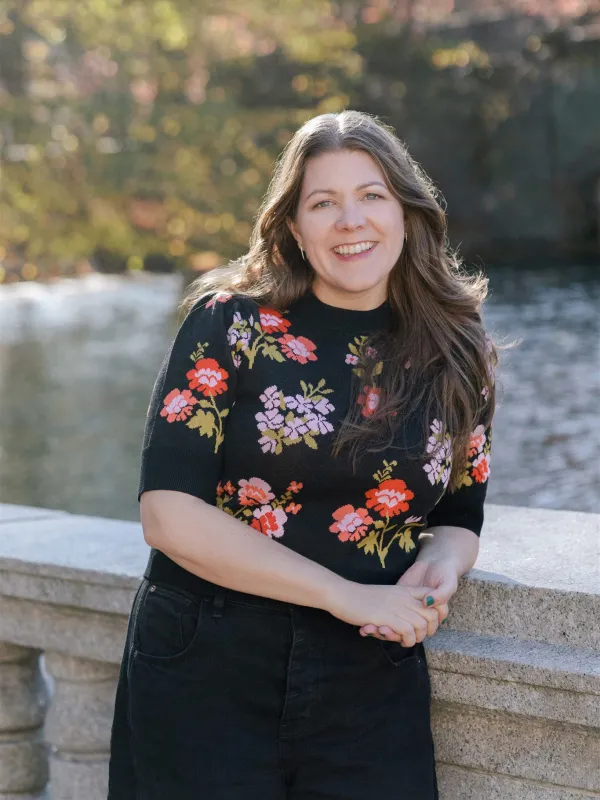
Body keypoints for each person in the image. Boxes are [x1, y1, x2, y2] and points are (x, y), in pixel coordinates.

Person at [108, 109, 497, 800]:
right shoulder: (230, 324)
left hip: (370, 674)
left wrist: (437, 571)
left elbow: (462, 512)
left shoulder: (456, 351)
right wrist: (342, 594)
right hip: (207, 662)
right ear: (294, 226)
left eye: (371, 195)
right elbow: (167, 514)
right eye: (324, 202)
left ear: (406, 213)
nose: (351, 220)